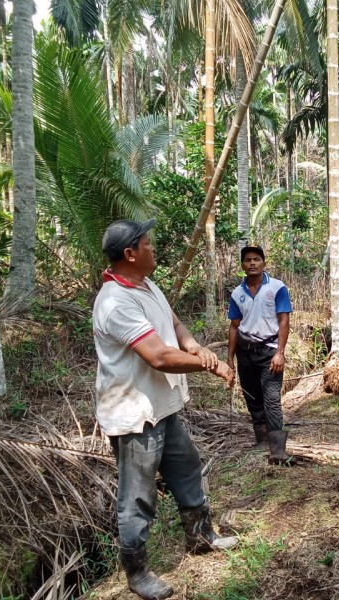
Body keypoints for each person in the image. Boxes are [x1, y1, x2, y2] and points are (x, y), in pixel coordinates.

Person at [93, 219, 239, 600]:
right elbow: (157, 356)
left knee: (187, 466)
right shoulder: (114, 302)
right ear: (130, 253)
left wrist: (192, 345)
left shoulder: (145, 285)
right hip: (134, 413)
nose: (153, 248)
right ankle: (137, 572)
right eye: (148, 244)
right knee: (137, 494)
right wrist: (210, 363)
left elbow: (172, 323)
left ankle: (200, 536)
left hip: (162, 405)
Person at [227, 245, 293, 465]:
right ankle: (261, 442)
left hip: (269, 351)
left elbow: (284, 320)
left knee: (272, 399)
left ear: (264, 263)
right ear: (243, 265)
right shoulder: (237, 293)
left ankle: (277, 450)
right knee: (252, 398)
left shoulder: (276, 288)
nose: (252, 263)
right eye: (247, 260)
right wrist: (230, 359)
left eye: (256, 259)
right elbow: (234, 327)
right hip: (245, 352)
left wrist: (280, 353)